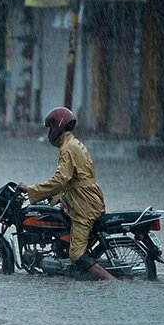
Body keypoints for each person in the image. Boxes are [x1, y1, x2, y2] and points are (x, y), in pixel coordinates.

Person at [18, 107, 118, 281]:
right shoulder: (74, 143)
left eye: (50, 128)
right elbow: (72, 180)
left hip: (84, 205)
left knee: (76, 254)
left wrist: (31, 189)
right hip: (84, 199)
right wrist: (54, 197)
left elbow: (60, 179)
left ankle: (112, 282)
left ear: (58, 127)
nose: (50, 132)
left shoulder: (67, 149)